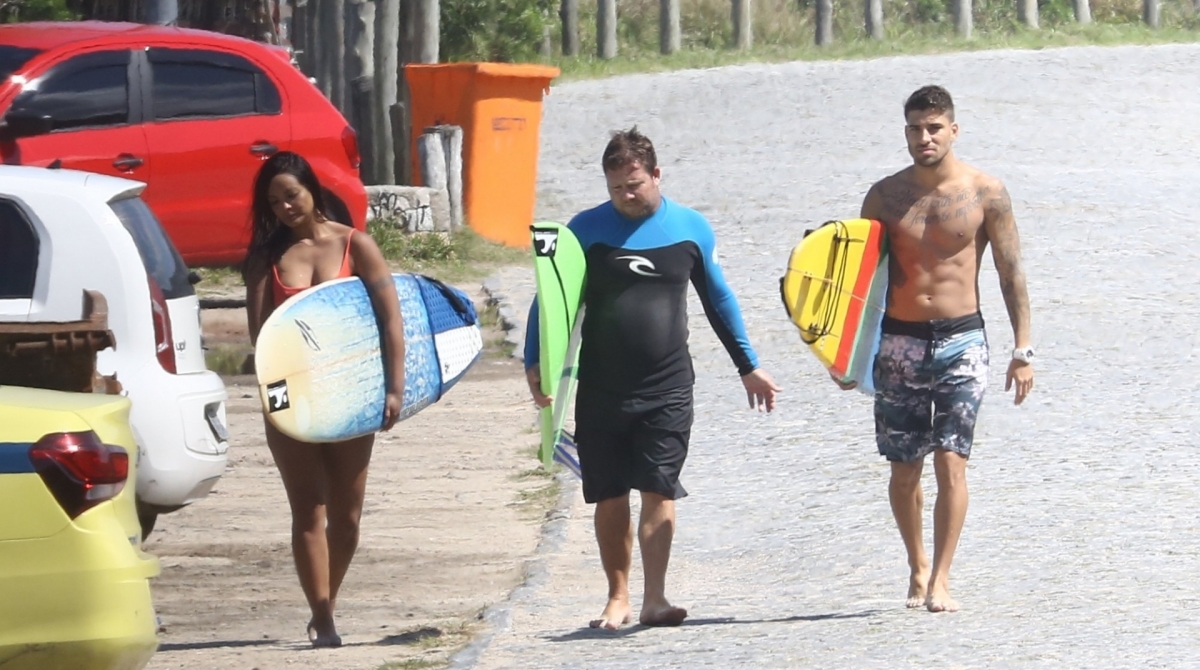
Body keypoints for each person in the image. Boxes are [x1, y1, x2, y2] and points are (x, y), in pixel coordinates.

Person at [524, 128, 781, 630]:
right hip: (601, 385)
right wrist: (536, 361)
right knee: (609, 493)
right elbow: (549, 300)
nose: (626, 194)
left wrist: (748, 366)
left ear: (656, 174)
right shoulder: (584, 231)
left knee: (659, 488)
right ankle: (617, 597)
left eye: (635, 184)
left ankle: (655, 598)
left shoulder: (689, 229)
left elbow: (719, 300)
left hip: (667, 385)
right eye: (617, 186)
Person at [844, 85, 1034, 613]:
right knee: (904, 467)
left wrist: (1023, 349)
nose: (923, 137)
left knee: (952, 459)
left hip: (962, 339)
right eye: (914, 128)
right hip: (899, 342)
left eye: (933, 128)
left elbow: (1010, 271)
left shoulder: (985, 192)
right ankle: (917, 564)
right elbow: (859, 280)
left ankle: (943, 577)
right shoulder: (882, 196)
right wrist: (847, 356)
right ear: (905, 131)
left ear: (953, 130)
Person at [242, 151, 406, 647]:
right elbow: (261, 341)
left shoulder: (356, 245)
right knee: (308, 510)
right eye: (274, 201)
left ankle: (326, 600)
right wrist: (272, 402)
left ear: (311, 189)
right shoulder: (265, 258)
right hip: (293, 398)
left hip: (352, 393)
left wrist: (395, 388)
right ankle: (324, 619)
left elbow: (391, 320)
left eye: (291, 194)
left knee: (348, 515)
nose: (285, 207)